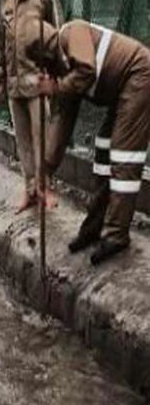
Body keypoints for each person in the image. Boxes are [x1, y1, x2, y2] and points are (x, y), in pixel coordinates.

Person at [29, 17, 150, 265]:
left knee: (124, 155)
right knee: (103, 150)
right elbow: (61, 125)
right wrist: (45, 170)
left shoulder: (73, 32)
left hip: (139, 76)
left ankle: (116, 235)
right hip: (122, 91)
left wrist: (56, 88)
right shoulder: (62, 75)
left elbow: (87, 70)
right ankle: (93, 227)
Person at [0, 0, 62, 213]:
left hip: (38, 80)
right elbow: (1, 40)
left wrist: (55, 76)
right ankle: (29, 190)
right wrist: (1, 77)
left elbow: (57, 36)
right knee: (23, 142)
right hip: (14, 84)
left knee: (41, 137)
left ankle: (45, 189)